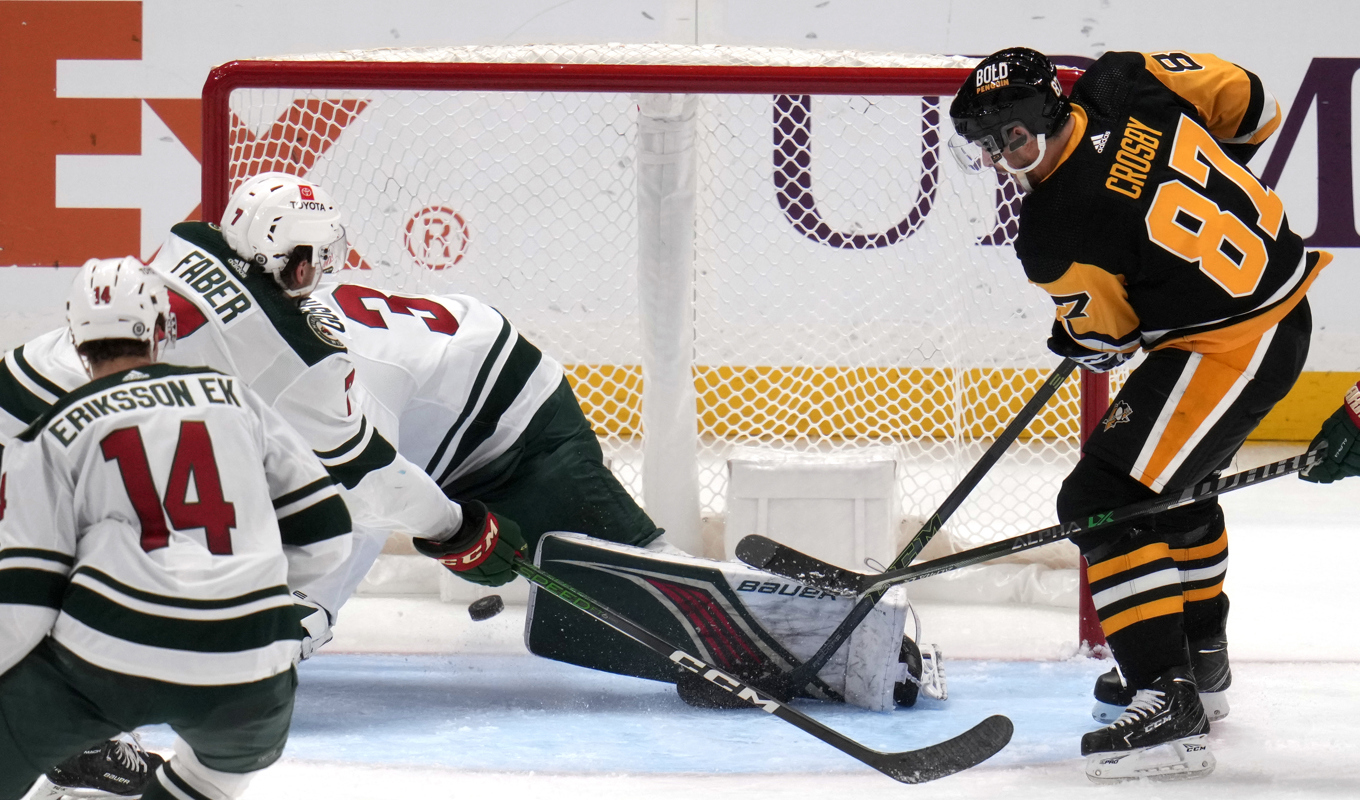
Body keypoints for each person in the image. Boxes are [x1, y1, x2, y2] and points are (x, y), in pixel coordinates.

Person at [950, 48, 1326, 782]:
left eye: (1013, 140)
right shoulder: (1125, 77)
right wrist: (1212, 186)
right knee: (1169, 488)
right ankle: (1196, 661)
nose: (1002, 159)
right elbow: (1252, 102)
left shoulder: (1054, 229)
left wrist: (1075, 337)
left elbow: (1110, 339)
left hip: (1231, 343)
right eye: (988, 147)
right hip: (1267, 308)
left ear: (1051, 116)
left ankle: (1166, 696)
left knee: (1101, 500)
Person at [0, 257, 354, 800]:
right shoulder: (237, 399)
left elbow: (23, 609)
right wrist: (247, 588)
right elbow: (329, 536)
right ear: (164, 330)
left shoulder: (50, 434)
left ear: (75, 340)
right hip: (252, 671)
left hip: (109, 657)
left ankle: (84, 748)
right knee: (209, 779)